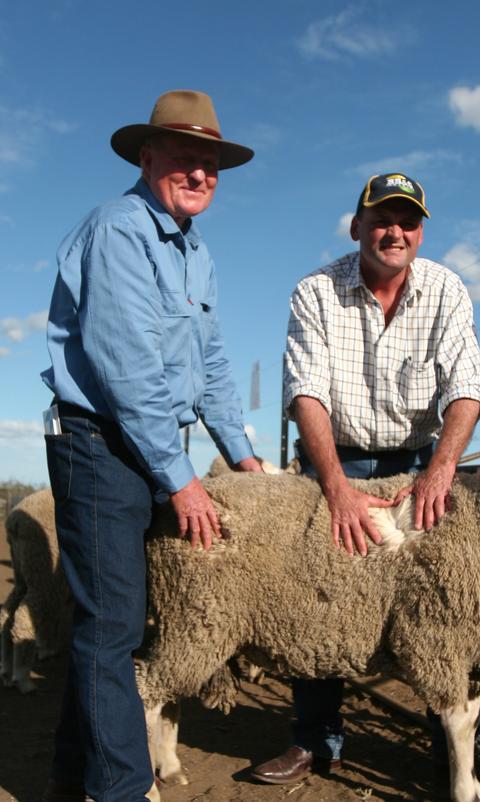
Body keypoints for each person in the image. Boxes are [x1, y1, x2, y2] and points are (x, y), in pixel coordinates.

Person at [41, 90, 263, 802]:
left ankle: (72, 778)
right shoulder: (119, 230)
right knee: (114, 626)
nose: (200, 174)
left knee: (112, 621)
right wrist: (182, 479)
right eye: (185, 158)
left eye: (211, 164)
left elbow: (214, 365)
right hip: (100, 442)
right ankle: (123, 791)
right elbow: (125, 364)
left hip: (146, 446)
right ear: (147, 156)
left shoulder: (195, 254)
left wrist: (244, 455)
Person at [252, 172, 480, 792]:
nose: (395, 232)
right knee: (320, 593)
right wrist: (333, 484)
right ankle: (316, 740)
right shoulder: (316, 292)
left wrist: (440, 470)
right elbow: (305, 392)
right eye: (382, 220)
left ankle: (455, 747)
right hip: (337, 460)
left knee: (447, 600)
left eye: (407, 221)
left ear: (420, 230)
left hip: (419, 462)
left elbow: (465, 386)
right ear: (357, 226)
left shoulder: (446, 289)